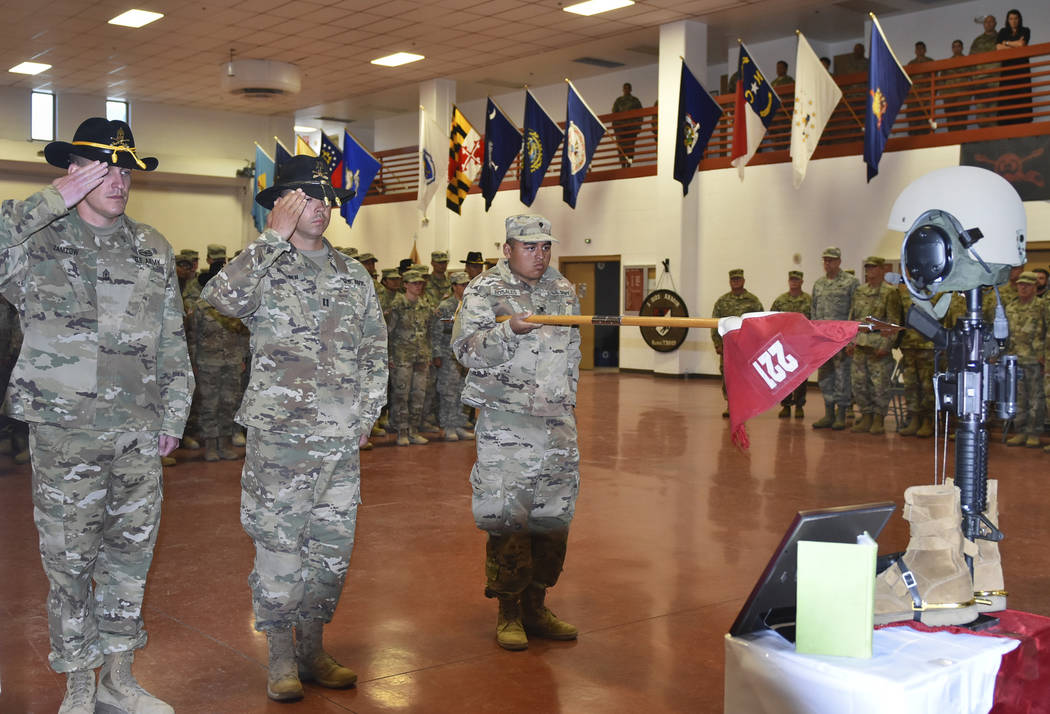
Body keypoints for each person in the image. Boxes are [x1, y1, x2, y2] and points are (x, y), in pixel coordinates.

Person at [0, 117, 193, 713]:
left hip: (137, 430)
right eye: (102, 167)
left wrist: (174, 412)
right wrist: (53, 199)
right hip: (65, 432)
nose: (118, 179)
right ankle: (79, 680)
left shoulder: (152, 247)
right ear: (73, 171)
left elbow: (170, 337)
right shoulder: (36, 242)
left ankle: (118, 676)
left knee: (129, 557)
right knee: (69, 561)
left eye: (125, 168)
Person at [202, 155, 387, 702]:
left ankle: (313, 649)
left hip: (339, 440)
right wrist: (270, 239)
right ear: (283, 205)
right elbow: (219, 297)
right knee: (280, 547)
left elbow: (376, 350)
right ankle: (280, 656)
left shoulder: (353, 275)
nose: (321, 208)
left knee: (331, 551)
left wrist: (368, 412)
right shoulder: (265, 267)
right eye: (306, 199)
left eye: (325, 198)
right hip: (280, 441)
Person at [452, 214, 582, 652]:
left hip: (557, 421)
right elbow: (464, 350)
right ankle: (508, 609)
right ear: (507, 249)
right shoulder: (485, 291)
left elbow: (573, 351)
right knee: (508, 516)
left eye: (545, 246)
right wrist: (508, 331)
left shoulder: (562, 290)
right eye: (529, 247)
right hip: (507, 424)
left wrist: (568, 399)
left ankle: (536, 605)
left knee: (553, 516)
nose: (540, 255)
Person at [191, 245, 248, 462]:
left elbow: (243, 334)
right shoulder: (200, 306)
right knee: (209, 404)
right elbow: (193, 336)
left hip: (232, 361)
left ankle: (224, 443)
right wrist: (195, 361)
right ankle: (210, 446)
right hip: (208, 363)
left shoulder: (235, 306)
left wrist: (242, 357)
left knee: (229, 403)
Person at [847, 257, 902, 435]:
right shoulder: (860, 291)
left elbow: (894, 321)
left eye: (873, 268)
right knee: (859, 384)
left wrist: (886, 345)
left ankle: (878, 418)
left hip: (878, 346)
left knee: (880, 385)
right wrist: (850, 341)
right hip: (860, 345)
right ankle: (866, 416)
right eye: (867, 268)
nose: (869, 271)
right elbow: (852, 318)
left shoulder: (889, 292)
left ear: (882, 269)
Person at [812, 247, 859, 430]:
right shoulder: (818, 284)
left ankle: (841, 415)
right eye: (825, 260)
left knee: (842, 376)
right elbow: (814, 312)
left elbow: (854, 312)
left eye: (831, 260)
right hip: (823, 340)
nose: (827, 264)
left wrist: (852, 340)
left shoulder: (850, 282)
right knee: (825, 377)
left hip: (842, 339)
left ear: (839, 261)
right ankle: (828, 413)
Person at [388, 269, 434, 446]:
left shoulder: (425, 306)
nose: (418, 286)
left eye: (420, 283)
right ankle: (401, 431)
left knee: (419, 395)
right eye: (414, 283)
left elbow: (429, 332)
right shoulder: (397, 306)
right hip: (402, 358)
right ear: (405, 284)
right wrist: (390, 357)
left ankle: (414, 430)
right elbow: (389, 333)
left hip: (421, 357)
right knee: (401, 395)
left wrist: (428, 353)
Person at [711, 269, 763, 418]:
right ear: (729, 282)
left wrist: (757, 345)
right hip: (728, 346)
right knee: (728, 376)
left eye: (738, 279)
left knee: (745, 376)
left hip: (746, 347)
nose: (736, 282)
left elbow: (760, 323)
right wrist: (717, 343)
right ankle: (730, 405)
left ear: (744, 280)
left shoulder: (753, 301)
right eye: (733, 279)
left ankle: (743, 405)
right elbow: (715, 322)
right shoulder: (722, 302)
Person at [430, 271, 474, 441]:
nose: (465, 287)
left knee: (462, 391)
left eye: (467, 284)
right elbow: (436, 332)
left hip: (466, 355)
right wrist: (437, 354)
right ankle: (449, 426)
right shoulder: (445, 306)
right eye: (462, 285)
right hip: (449, 355)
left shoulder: (472, 305)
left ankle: (459, 424)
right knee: (448, 392)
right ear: (454, 286)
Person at [1003, 272, 1045, 448]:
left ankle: (1033, 432)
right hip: (1015, 359)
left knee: (1036, 398)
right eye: (1021, 284)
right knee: (1018, 397)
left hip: (1035, 359)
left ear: (1035, 287)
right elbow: (1005, 334)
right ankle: (1020, 431)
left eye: (1027, 285)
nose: (1023, 288)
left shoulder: (1042, 307)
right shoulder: (1010, 307)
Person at [770, 270, 812, 418]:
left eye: (797, 280)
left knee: (801, 378)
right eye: (792, 280)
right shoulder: (780, 301)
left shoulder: (809, 300)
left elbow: (814, 322)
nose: (794, 282)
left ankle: (800, 405)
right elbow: (772, 321)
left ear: (802, 282)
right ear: (789, 281)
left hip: (802, 346)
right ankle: (786, 405)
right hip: (784, 346)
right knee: (784, 378)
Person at [897, 284, 936, 437]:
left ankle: (928, 420)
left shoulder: (937, 291)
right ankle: (914, 418)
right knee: (911, 385)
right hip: (908, 345)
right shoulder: (903, 292)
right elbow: (898, 317)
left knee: (927, 386)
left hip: (928, 346)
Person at [996, 8, 1032, 125]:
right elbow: (998, 48)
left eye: (1016, 18)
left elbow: (1022, 45)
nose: (1013, 21)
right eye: (1011, 18)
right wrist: (1014, 44)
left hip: (1022, 70)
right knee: (1007, 99)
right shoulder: (1003, 31)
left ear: (1019, 19)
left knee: (1022, 97)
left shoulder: (1025, 30)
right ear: (1007, 20)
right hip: (1007, 71)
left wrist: (1006, 43)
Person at [970, 15, 1000, 127]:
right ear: (983, 24)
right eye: (986, 22)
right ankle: (984, 143)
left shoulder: (1000, 37)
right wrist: (974, 78)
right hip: (980, 82)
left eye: (991, 21)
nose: (988, 24)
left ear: (995, 23)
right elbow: (971, 61)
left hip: (995, 82)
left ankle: (995, 142)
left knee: (994, 114)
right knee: (981, 115)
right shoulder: (977, 41)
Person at [611, 82, 643, 167]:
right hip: (620, 129)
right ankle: (622, 165)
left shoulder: (635, 101)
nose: (626, 90)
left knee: (630, 148)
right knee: (621, 149)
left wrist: (637, 127)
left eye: (628, 88)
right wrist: (616, 128)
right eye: (625, 88)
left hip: (631, 129)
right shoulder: (618, 101)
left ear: (630, 89)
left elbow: (640, 114)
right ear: (623, 89)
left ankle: (629, 165)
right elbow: (614, 115)